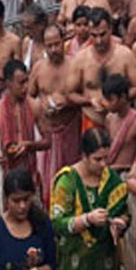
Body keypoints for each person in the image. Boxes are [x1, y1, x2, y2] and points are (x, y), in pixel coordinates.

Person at [50, 128, 131, 270]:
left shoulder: (109, 178)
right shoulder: (67, 181)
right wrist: (86, 219)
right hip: (78, 263)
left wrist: (121, 223)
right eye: (97, 159)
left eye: (107, 158)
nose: (103, 164)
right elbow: (57, 222)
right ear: (84, 156)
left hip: (105, 263)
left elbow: (123, 211)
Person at [29, 24, 83, 208]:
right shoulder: (38, 69)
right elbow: (29, 96)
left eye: (57, 44)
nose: (53, 50)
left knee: (72, 180)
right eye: (49, 45)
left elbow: (85, 97)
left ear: (64, 42)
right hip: (47, 133)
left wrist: (67, 103)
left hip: (70, 128)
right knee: (47, 184)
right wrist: (43, 106)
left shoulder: (75, 64)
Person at [66, 7, 136, 131]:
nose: (99, 41)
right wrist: (90, 101)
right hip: (93, 120)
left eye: (102, 34)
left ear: (110, 30)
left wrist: (118, 101)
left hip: (121, 120)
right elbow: (70, 93)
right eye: (94, 36)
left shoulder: (125, 55)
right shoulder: (80, 59)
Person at [0, 59, 49, 196]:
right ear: (8, 83)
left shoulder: (35, 106)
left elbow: (48, 142)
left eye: (27, 81)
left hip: (31, 175)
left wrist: (29, 145)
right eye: (21, 83)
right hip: (8, 177)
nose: (26, 87)